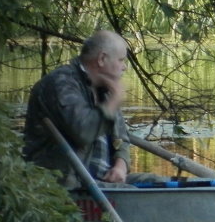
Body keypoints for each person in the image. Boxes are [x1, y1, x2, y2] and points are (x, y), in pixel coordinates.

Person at [22, 30, 159, 188]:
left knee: (158, 182)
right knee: (136, 192)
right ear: (101, 59)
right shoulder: (61, 83)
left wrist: (120, 167)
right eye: (121, 60)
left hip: (102, 181)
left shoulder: (105, 88)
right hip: (67, 184)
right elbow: (83, 133)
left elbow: (121, 139)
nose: (125, 67)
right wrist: (112, 103)